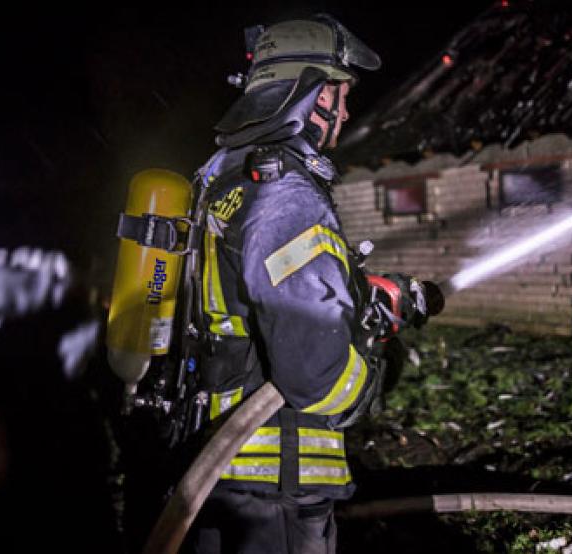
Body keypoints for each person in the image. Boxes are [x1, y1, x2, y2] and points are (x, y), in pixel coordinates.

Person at [184, 13, 385, 554]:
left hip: (224, 471)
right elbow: (314, 371)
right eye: (341, 94)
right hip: (276, 483)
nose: (346, 112)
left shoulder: (224, 178)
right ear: (313, 94)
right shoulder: (285, 196)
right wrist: (367, 379)